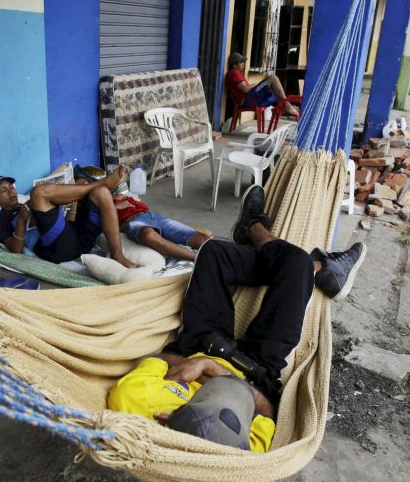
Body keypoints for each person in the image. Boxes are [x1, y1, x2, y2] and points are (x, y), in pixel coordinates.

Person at [108, 185, 366, 452]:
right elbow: (268, 411)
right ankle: (273, 239)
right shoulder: (242, 451)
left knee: (215, 252)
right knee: (296, 264)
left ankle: (279, 247)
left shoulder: (134, 402)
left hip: (197, 344)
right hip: (257, 367)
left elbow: (157, 360)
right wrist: (211, 370)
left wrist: (201, 364)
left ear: (165, 417)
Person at [0, 166, 137, 268]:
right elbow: (15, 250)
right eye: (3, 190)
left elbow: (65, 224)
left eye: (11, 187)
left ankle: (118, 255)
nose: (11, 192)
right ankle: (102, 183)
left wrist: (71, 206)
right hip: (55, 249)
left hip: (78, 240)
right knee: (39, 192)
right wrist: (21, 220)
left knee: (102, 192)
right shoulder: (0, 218)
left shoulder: (25, 203)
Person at [73, 166, 210, 261]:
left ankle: (219, 254)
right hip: (131, 222)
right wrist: (116, 207)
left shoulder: (118, 195)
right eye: (77, 185)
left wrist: (125, 200)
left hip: (152, 216)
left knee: (201, 239)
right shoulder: (91, 206)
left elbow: (143, 206)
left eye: (84, 183)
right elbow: (100, 224)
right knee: (148, 235)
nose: (80, 187)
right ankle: (196, 258)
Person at [225, 52, 300, 118]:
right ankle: (287, 106)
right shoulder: (234, 73)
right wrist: (255, 85)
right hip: (247, 100)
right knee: (273, 78)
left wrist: (256, 85)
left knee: (272, 90)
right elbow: (245, 89)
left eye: (243, 62)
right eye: (240, 62)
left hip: (249, 98)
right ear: (234, 65)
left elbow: (245, 88)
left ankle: (285, 106)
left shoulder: (236, 73)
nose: (243, 64)